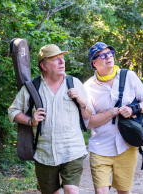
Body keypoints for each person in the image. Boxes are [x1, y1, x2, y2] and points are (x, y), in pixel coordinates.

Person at [8, 44, 93, 194]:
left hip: (72, 150)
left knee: (72, 191)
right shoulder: (31, 88)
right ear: (44, 65)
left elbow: (87, 115)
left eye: (62, 58)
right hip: (44, 153)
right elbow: (13, 111)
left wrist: (82, 102)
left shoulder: (74, 83)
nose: (62, 62)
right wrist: (30, 120)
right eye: (56, 59)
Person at [84, 42, 143, 194]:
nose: (108, 57)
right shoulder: (88, 87)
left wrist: (133, 109)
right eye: (103, 55)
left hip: (127, 145)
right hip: (100, 146)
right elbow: (88, 123)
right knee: (101, 191)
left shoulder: (129, 76)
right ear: (94, 63)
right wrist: (112, 112)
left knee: (123, 191)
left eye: (110, 53)